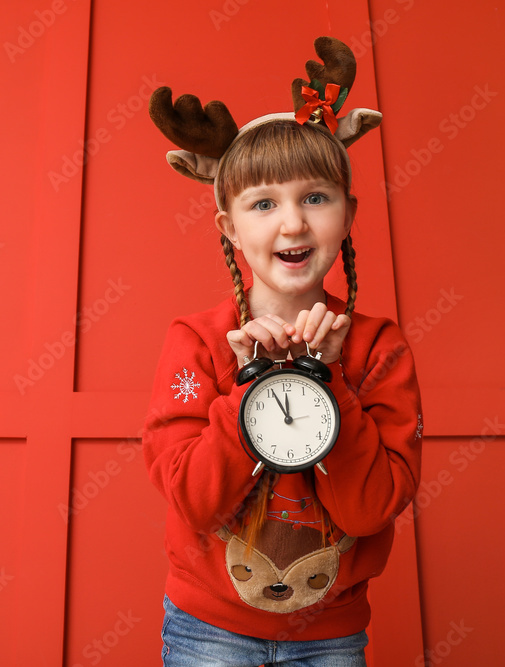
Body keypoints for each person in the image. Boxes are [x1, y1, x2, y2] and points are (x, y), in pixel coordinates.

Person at [142, 37, 423, 666]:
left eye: (314, 198)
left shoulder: (379, 348)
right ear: (230, 227)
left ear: (348, 214)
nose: (292, 224)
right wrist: (249, 388)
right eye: (264, 204)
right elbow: (193, 499)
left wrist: (332, 383)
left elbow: (371, 506)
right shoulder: (196, 343)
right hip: (207, 629)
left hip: (331, 634)